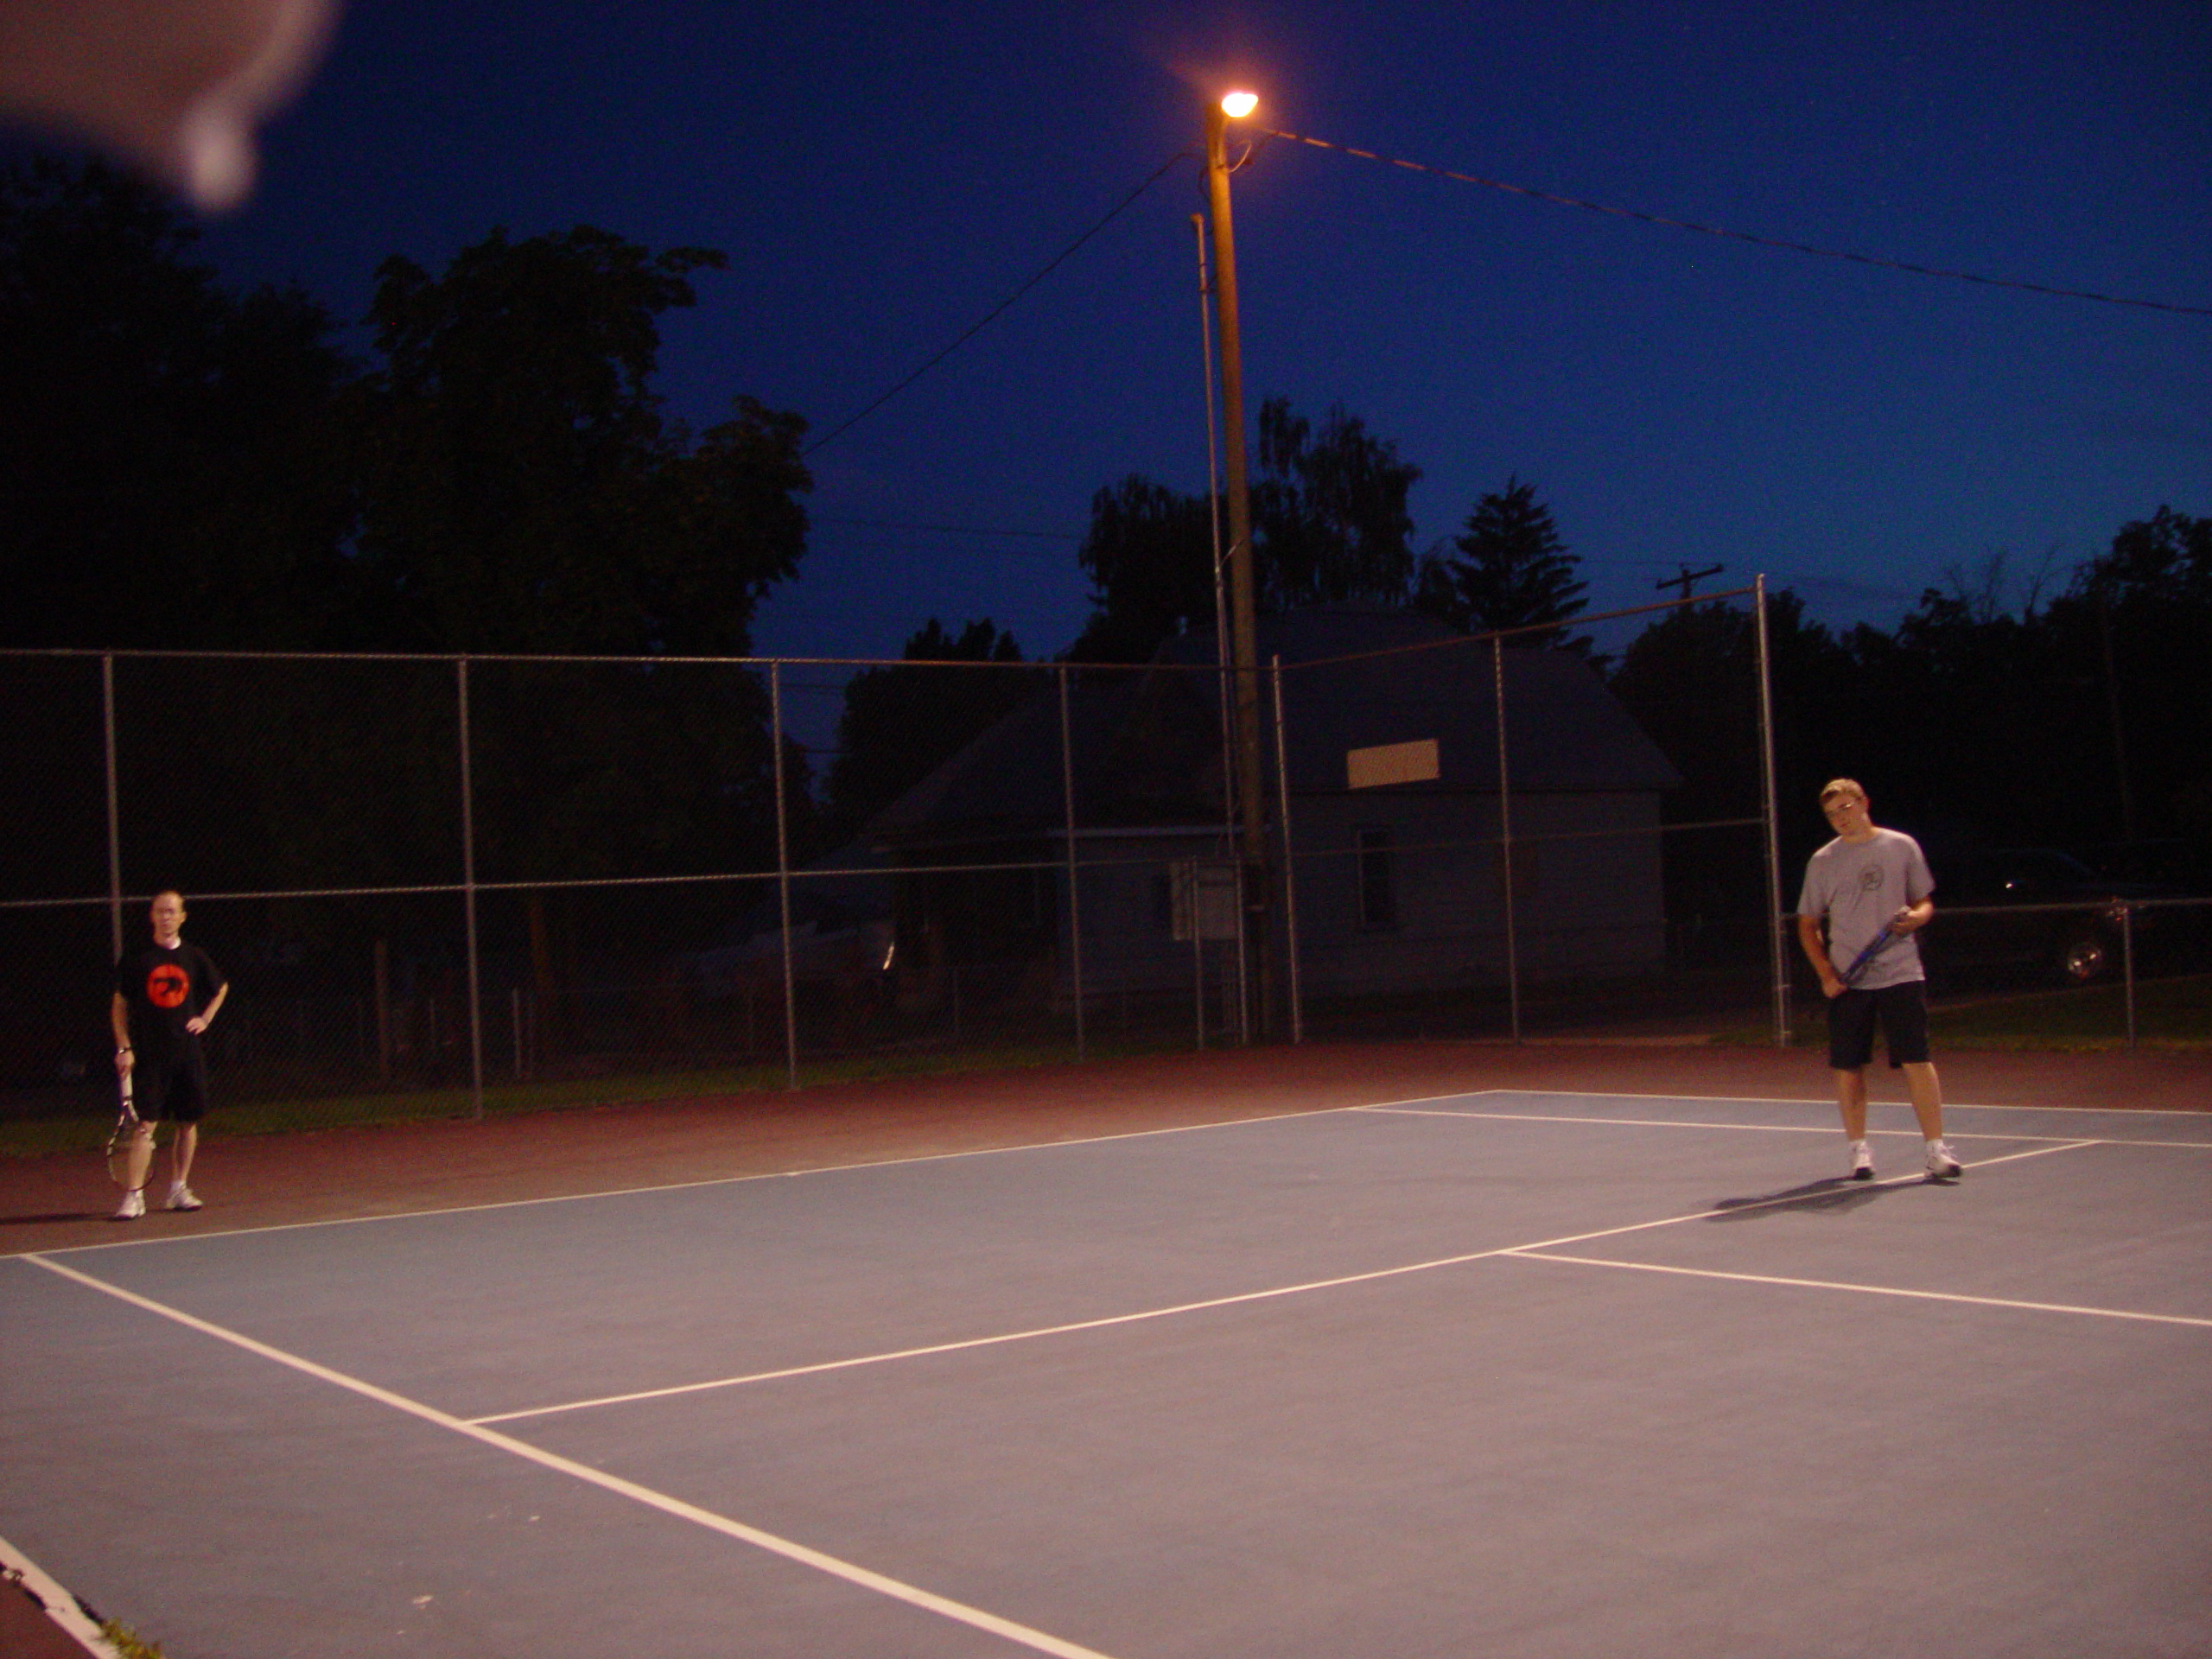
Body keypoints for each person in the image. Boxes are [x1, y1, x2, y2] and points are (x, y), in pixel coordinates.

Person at [1795, 779, 1962, 1184]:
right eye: (1833, 814)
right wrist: (1826, 975)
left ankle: (1935, 1149)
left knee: (1917, 1060)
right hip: (1849, 983)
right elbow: (1807, 925)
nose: (1841, 818)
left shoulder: (1901, 846)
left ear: (1864, 803)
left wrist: (1919, 918)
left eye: (1847, 808)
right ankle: (1859, 1151)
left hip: (1902, 973)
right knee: (1848, 1066)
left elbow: (1924, 901)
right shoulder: (1822, 861)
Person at [111, 891, 228, 1219]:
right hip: (149, 1055)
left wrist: (205, 1018)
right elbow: (119, 1007)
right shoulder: (137, 958)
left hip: (187, 1053)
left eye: (171, 912)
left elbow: (221, 988)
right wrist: (124, 1047)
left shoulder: (194, 957)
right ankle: (134, 1196)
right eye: (160, 912)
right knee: (145, 1125)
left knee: (187, 1123)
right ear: (152, 916)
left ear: (182, 916)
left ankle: (179, 1188)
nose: (165, 917)